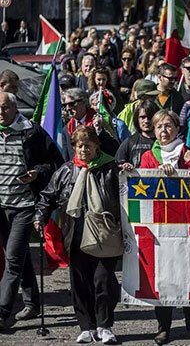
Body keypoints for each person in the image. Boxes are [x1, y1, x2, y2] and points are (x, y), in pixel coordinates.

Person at [33, 126, 120, 344]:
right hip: (75, 235)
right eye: (79, 146)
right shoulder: (65, 171)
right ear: (74, 148)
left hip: (104, 235)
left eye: (88, 146)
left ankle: (104, 325)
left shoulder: (110, 169)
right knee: (80, 283)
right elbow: (47, 196)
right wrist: (40, 216)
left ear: (96, 147)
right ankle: (86, 326)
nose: (83, 150)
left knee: (103, 281)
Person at [139, 110, 190, 345]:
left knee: (187, 272)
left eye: (168, 126)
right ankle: (164, 326)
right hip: (160, 225)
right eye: (159, 127)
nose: (163, 131)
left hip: (187, 222)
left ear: (177, 129)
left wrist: (187, 165)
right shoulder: (149, 156)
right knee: (163, 276)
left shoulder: (189, 154)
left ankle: (189, 311)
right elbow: (141, 186)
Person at [0, 92, 62, 330]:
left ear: (16, 109)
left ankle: (3, 312)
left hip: (24, 206)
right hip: (1, 206)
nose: (1, 112)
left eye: (5, 108)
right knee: (17, 254)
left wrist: (37, 172)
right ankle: (32, 302)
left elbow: (55, 161)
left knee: (13, 259)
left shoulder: (32, 132)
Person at [61, 88, 120, 161]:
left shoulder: (100, 122)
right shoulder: (67, 129)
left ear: (83, 102)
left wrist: (99, 131)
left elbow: (114, 150)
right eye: (65, 105)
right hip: (76, 170)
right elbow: (66, 157)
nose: (68, 108)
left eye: (72, 104)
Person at [116, 100, 159, 169]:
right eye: (143, 117)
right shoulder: (129, 142)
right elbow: (117, 165)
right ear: (137, 118)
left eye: (150, 117)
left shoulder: (164, 142)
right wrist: (124, 166)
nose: (146, 121)